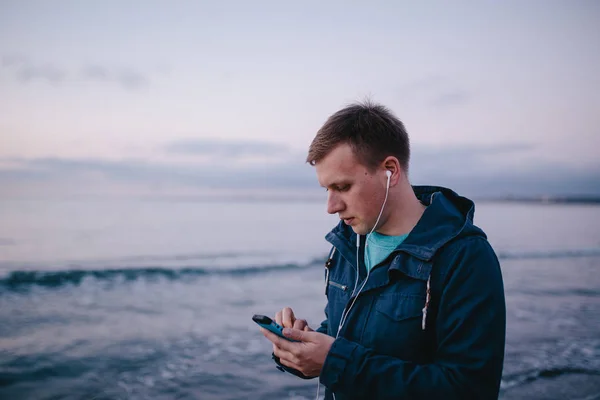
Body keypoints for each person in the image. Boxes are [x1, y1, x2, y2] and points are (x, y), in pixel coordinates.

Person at [259, 100, 506, 399]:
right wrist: (302, 347)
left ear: (390, 170)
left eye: (343, 187)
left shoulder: (465, 257)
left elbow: (469, 389)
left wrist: (335, 361)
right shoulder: (347, 243)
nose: (331, 207)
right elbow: (346, 332)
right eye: (327, 190)